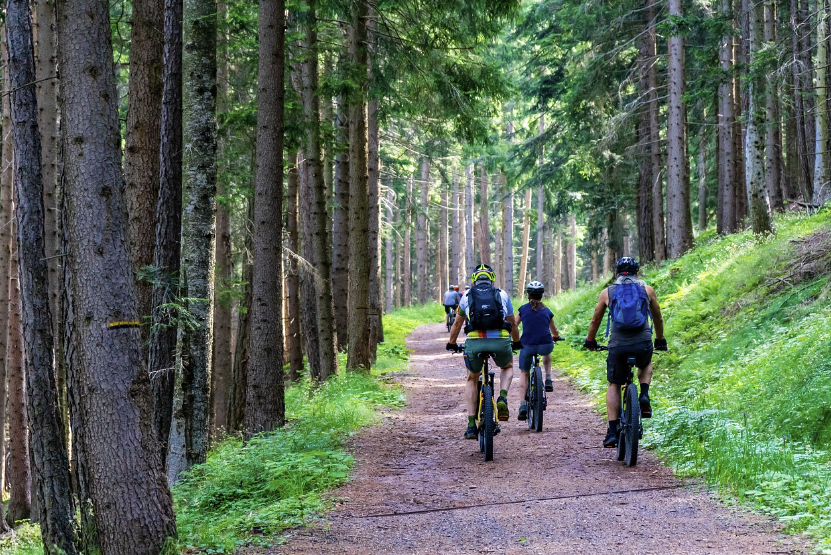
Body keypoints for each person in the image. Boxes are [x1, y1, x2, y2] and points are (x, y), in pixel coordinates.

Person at [584, 257, 667, 448]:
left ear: (616, 273)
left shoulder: (608, 292)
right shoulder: (647, 290)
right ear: (637, 272)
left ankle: (612, 431)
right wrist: (660, 340)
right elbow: (658, 318)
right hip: (642, 342)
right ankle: (644, 394)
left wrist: (590, 341)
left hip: (618, 345)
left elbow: (595, 321)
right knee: (645, 363)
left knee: (614, 383)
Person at [446, 264, 522, 439]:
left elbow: (457, 323)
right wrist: (516, 342)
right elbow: (513, 323)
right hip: (500, 342)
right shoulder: (502, 294)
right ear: (491, 278)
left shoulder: (466, 296)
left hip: (475, 342)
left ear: (474, 280)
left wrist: (451, 343)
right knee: (508, 367)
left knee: (472, 378)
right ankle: (502, 397)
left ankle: (471, 425)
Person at [515, 281, 563, 421]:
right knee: (547, 350)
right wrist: (557, 337)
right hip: (545, 345)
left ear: (528, 295)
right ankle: (548, 378)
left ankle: (523, 405)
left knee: (524, 373)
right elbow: (553, 330)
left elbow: (515, 325)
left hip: (527, 346)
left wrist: (515, 340)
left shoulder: (523, 309)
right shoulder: (547, 311)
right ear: (541, 295)